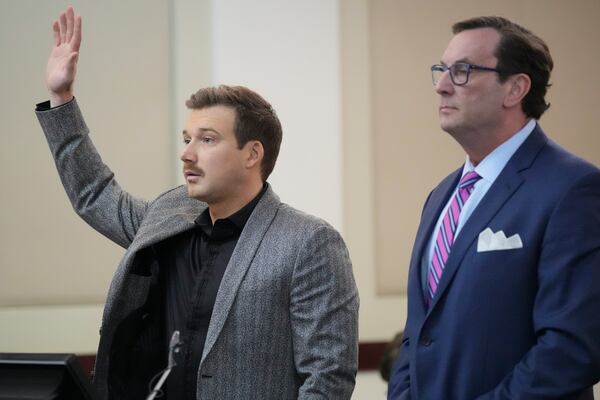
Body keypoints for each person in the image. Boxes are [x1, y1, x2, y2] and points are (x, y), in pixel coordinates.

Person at [36, 7, 358, 400]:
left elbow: (326, 380)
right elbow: (95, 195)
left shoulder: (308, 243)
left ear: (252, 153)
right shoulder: (169, 215)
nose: (187, 154)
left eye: (206, 139)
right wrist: (61, 98)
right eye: (185, 139)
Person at [388, 16, 600, 399]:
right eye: (441, 70)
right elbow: (418, 333)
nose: (441, 86)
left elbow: (572, 348)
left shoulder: (573, 188)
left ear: (515, 88)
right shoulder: (440, 197)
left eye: (463, 71)